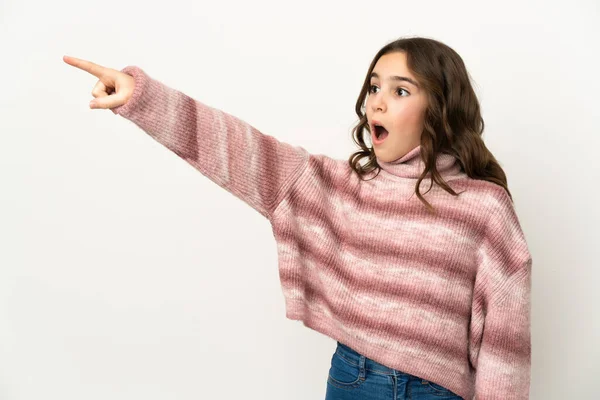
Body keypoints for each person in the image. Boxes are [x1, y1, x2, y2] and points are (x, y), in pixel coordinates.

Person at [63, 36, 532, 400]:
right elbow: (239, 148)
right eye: (373, 87)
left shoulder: (483, 207)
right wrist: (143, 99)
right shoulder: (341, 186)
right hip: (350, 379)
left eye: (400, 90)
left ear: (442, 107)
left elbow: (504, 350)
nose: (377, 103)